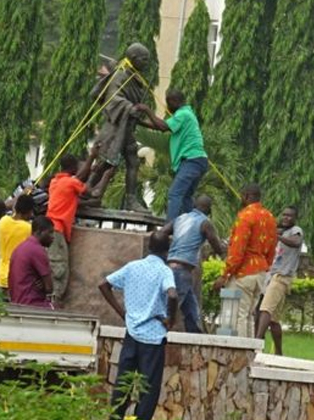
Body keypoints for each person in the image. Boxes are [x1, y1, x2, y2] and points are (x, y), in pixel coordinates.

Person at [98, 232, 178, 420]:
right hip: (153, 337)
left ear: (149, 247)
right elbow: (173, 295)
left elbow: (104, 285)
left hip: (132, 333)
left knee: (123, 382)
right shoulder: (164, 271)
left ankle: (115, 417)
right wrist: (170, 320)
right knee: (148, 388)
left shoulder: (132, 267)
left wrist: (122, 313)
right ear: (167, 251)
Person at [86, 43, 151, 212]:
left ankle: (131, 199)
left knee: (133, 162)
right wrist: (130, 108)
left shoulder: (135, 78)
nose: (147, 63)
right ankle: (86, 190)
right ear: (134, 59)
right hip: (114, 127)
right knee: (104, 163)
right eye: (144, 59)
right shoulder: (121, 76)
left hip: (127, 127)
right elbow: (113, 99)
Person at [213, 184, 277, 338]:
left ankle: (240, 354)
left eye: (242, 195)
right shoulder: (269, 217)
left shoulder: (245, 216)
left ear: (247, 196)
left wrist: (225, 274)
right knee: (249, 315)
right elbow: (273, 247)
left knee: (239, 316)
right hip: (261, 271)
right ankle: (250, 353)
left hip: (244, 272)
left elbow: (237, 249)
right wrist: (265, 265)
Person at [135, 89, 208, 221]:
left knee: (175, 193)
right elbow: (160, 127)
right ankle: (189, 226)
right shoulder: (187, 114)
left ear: (174, 101)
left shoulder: (183, 114)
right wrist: (140, 122)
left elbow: (163, 127)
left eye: (168, 103)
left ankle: (168, 229)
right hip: (198, 161)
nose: (167, 106)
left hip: (192, 160)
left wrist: (146, 110)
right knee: (186, 197)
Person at [161, 195, 225, 333]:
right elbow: (217, 247)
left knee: (191, 312)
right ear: (209, 210)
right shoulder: (205, 223)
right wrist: (226, 251)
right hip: (182, 270)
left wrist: (168, 252)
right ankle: (156, 339)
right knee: (170, 310)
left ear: (195, 205)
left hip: (172, 266)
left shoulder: (180, 218)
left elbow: (162, 233)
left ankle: (195, 336)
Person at [47, 143, 100, 303]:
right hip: (57, 230)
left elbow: (74, 191)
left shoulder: (55, 182)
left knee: (54, 264)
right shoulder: (70, 182)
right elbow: (90, 192)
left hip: (51, 228)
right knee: (59, 267)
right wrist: (102, 174)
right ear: (73, 168)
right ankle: (54, 301)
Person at [255, 206, 303, 355]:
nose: (286, 218)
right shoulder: (280, 231)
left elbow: (295, 242)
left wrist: (278, 237)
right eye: (284, 215)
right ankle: (279, 353)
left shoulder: (296, 231)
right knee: (273, 320)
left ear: (295, 218)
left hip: (282, 277)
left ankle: (257, 344)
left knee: (265, 309)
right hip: (271, 276)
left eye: (289, 216)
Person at [8, 216, 56, 308]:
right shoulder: (37, 250)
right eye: (50, 232)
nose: (53, 237)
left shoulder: (21, 246)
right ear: (38, 232)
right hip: (31, 303)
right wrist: (43, 284)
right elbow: (49, 288)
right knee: (59, 308)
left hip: (16, 300)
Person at [0, 194, 35, 293]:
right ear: (29, 212)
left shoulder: (3, 221)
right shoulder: (28, 228)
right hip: (16, 277)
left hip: (0, 276)